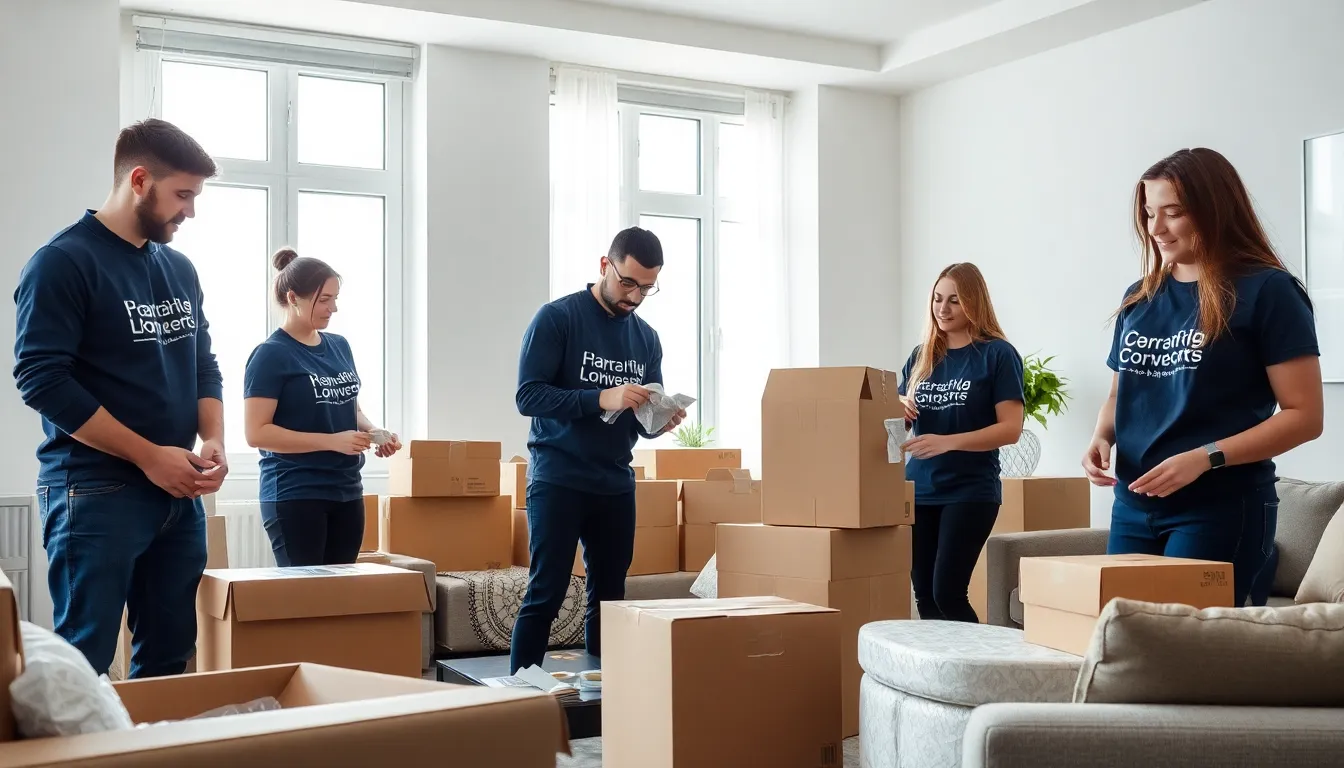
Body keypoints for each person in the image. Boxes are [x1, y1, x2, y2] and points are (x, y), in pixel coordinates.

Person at [12, 118, 226, 678]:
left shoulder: (179, 269)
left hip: (177, 492)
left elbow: (203, 363)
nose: (190, 212)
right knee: (85, 662)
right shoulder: (62, 262)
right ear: (138, 180)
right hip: (94, 489)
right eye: (182, 195)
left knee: (170, 654)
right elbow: (42, 379)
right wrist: (150, 456)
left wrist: (215, 439)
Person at [1082, 147, 1323, 608]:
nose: (1155, 229)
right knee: (1124, 648)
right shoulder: (1140, 297)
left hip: (1220, 509)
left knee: (1191, 663)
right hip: (1133, 508)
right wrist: (1101, 435)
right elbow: (1121, 390)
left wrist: (1204, 458)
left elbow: (1305, 416)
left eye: (1173, 213)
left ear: (1215, 210)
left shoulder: (1268, 291)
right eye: (1149, 214)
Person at [509, 227, 686, 673]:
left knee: (610, 596)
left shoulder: (646, 338)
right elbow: (527, 396)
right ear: (604, 265)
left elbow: (641, 422)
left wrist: (659, 421)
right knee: (545, 593)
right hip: (558, 478)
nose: (635, 296)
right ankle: (515, 706)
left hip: (614, 482)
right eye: (628, 282)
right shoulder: (557, 318)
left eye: (647, 287)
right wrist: (600, 397)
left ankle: (606, 699)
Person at [243, 248, 402, 567]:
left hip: (346, 490)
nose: (334, 308)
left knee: (339, 600)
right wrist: (331, 441)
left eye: (335, 298)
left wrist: (374, 433)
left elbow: (350, 410)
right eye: (325, 299)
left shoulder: (340, 346)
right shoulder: (271, 355)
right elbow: (257, 433)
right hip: (296, 493)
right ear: (293, 298)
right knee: (305, 603)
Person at [897, 263, 1025, 623]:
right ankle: (939, 677)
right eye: (938, 299)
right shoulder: (921, 356)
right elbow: (891, 425)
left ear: (974, 302)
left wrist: (947, 443)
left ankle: (979, 672)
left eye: (954, 300)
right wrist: (896, 407)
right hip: (919, 491)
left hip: (970, 492)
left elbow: (1010, 429)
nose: (943, 308)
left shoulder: (998, 355)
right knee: (925, 596)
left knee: (948, 593)